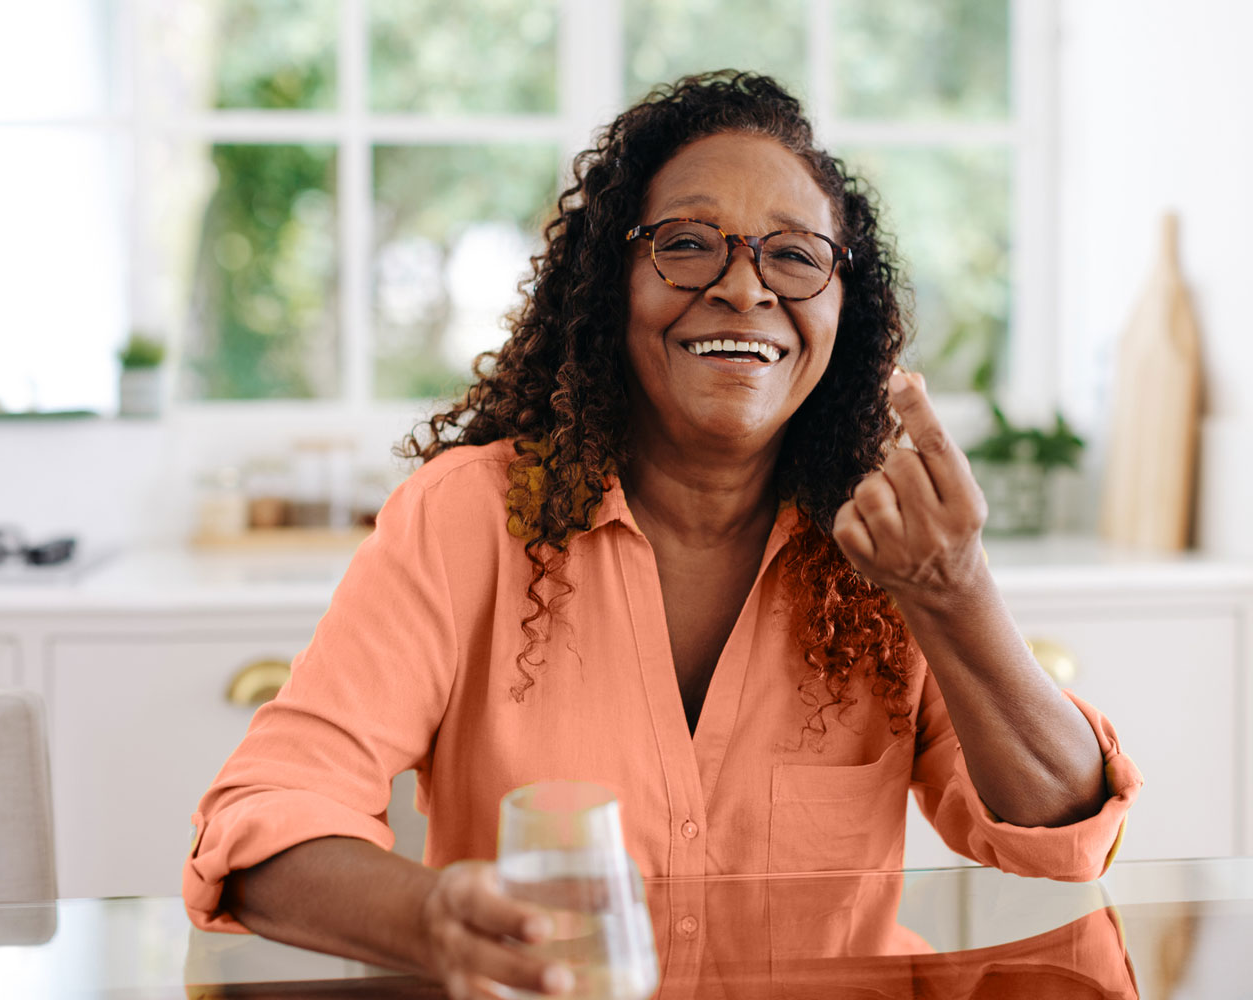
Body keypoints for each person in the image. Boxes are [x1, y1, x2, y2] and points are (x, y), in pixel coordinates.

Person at [182, 71, 1141, 998]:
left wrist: (954, 592)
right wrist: (435, 919)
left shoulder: (885, 550)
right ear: (610, 283)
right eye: (686, 244)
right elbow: (263, 823)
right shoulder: (467, 519)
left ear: (844, 312)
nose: (744, 288)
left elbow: (1063, 836)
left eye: (795, 255)